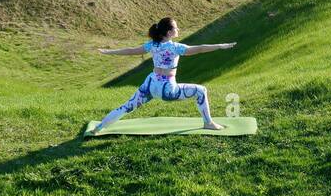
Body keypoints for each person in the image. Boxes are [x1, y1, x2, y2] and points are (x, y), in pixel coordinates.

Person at [92, 16, 236, 134]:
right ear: (168, 32)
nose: (178, 29)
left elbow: (130, 50)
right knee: (201, 91)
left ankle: (99, 127)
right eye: (175, 27)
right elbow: (200, 49)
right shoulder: (175, 47)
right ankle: (208, 123)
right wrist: (220, 46)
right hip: (166, 88)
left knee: (126, 107)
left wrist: (110, 52)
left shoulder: (152, 45)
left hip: (151, 83)